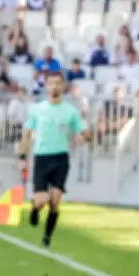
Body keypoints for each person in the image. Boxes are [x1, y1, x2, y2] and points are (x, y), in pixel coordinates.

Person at [18, 72, 89, 247]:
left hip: (60, 157)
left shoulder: (71, 112)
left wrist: (83, 137)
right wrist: (22, 156)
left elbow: (84, 131)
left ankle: (47, 237)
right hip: (42, 157)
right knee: (42, 200)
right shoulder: (37, 110)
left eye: (58, 83)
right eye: (51, 83)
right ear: (46, 86)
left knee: (55, 200)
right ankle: (35, 208)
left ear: (64, 86)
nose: (54, 87)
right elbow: (26, 134)